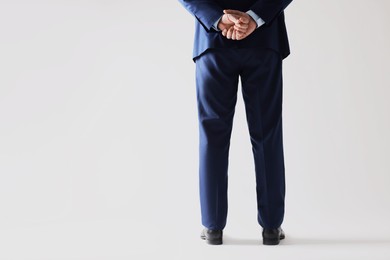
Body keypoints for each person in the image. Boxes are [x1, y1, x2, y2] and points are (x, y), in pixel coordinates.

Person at [178, 0, 293, 245]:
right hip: (265, 41)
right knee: (267, 134)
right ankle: (271, 227)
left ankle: (213, 227)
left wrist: (217, 20)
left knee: (212, 136)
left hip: (212, 44)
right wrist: (254, 17)